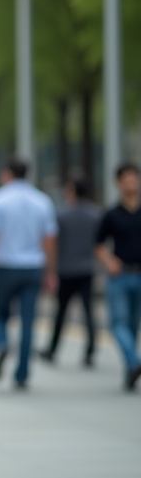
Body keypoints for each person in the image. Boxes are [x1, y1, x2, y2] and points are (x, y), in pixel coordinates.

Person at [0, 157, 57, 390]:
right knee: (28, 320)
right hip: (33, 266)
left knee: (1, 314)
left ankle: (1, 344)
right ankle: (22, 373)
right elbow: (49, 240)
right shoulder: (42, 201)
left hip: (5, 266)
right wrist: (50, 272)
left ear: (7, 173)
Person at [39, 176, 100, 368]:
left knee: (61, 312)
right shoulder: (95, 214)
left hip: (66, 269)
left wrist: (50, 269)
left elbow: (54, 244)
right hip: (87, 268)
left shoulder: (62, 214)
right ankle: (90, 350)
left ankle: (53, 348)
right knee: (88, 311)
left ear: (72, 191)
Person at [94, 163, 141, 392]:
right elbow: (98, 244)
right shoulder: (112, 214)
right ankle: (135, 362)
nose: (131, 183)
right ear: (118, 183)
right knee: (118, 324)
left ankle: (130, 371)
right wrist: (109, 261)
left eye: (134, 179)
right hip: (120, 276)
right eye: (126, 179)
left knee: (132, 326)